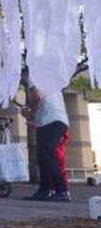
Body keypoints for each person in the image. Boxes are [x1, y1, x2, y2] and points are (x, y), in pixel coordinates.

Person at [21, 71, 71, 202]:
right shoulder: (51, 79)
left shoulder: (34, 76)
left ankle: (61, 191)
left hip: (50, 122)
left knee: (47, 157)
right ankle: (45, 189)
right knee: (45, 157)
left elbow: (37, 96)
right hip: (58, 120)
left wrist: (30, 110)